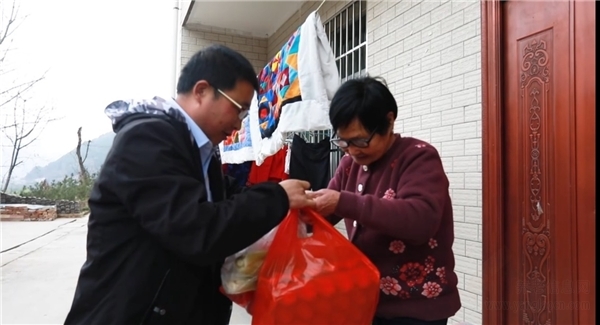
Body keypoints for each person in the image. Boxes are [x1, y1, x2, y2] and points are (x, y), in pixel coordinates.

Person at [64, 45, 315, 325]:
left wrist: (293, 205)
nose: (238, 126)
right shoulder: (147, 139)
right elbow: (197, 230)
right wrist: (277, 198)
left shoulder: (197, 151)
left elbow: (229, 197)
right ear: (202, 91)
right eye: (239, 110)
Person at [312, 76, 461, 325]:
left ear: (389, 121)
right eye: (344, 142)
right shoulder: (350, 164)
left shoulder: (418, 157)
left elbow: (421, 220)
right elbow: (325, 212)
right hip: (366, 300)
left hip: (416, 308)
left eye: (360, 140)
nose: (352, 150)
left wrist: (342, 201)